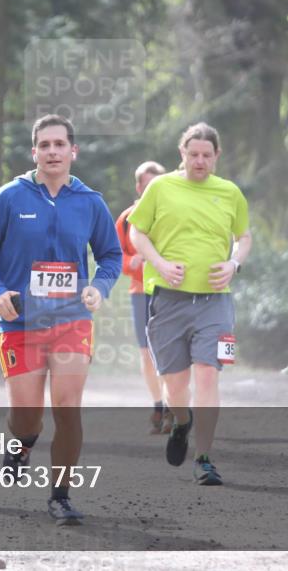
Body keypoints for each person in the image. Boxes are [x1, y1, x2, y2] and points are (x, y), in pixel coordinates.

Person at [0, 114, 122, 525]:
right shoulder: (10, 197)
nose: (52, 152)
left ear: (73, 151)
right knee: (27, 414)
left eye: (60, 144)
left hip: (72, 320)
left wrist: (100, 287)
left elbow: (111, 254)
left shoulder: (90, 202)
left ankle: (61, 496)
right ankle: (21, 443)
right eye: (45, 145)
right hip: (20, 322)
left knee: (68, 408)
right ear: (33, 152)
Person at [129, 123, 251, 486]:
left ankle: (204, 458)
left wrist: (233, 264)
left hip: (215, 302)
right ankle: (181, 422)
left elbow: (243, 237)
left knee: (208, 374)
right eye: (193, 154)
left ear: (217, 157)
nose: (200, 161)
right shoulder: (160, 187)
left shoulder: (229, 192)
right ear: (182, 153)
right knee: (176, 384)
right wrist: (161, 264)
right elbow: (137, 232)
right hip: (168, 300)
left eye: (207, 155)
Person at [115, 161, 172, 434]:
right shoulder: (127, 218)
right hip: (140, 293)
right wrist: (132, 263)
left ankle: (175, 405)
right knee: (146, 354)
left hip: (171, 291)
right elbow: (114, 256)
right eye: (148, 185)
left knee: (171, 351)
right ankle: (158, 406)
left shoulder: (173, 214)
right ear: (139, 187)